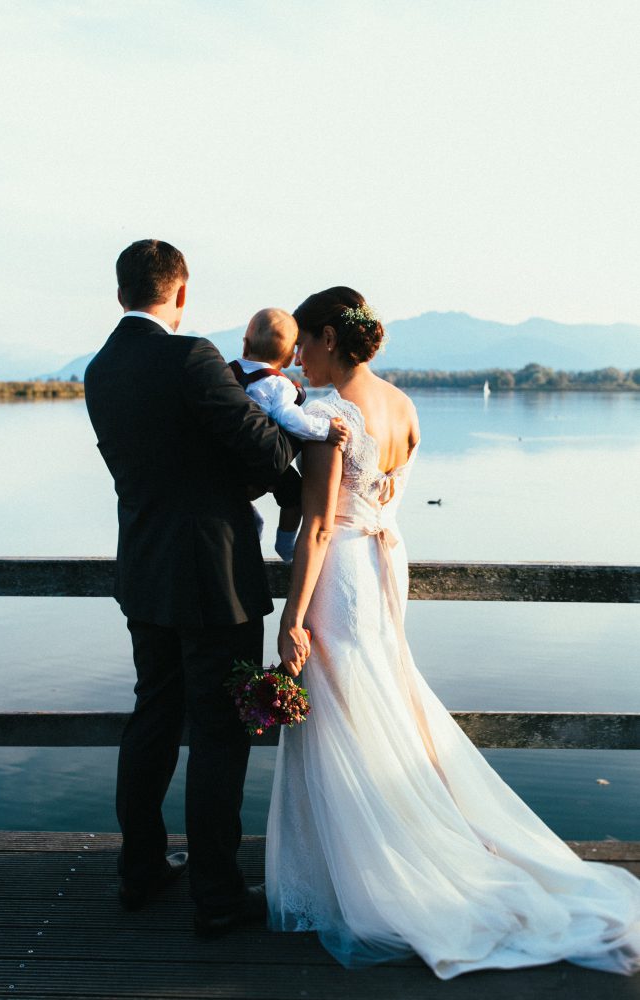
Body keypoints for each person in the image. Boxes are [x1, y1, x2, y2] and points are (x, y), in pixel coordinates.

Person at [265, 286, 640, 977]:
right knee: (379, 699)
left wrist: (290, 617)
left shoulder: (326, 416)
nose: (295, 355)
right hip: (383, 562)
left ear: (325, 337)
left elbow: (318, 525)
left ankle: (369, 879)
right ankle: (382, 852)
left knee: (345, 710)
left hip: (342, 568)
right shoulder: (402, 405)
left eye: (303, 343)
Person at [84, 240, 306, 935]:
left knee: (151, 719)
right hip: (214, 579)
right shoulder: (192, 358)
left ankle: (140, 870)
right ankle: (215, 895)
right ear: (180, 292)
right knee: (218, 732)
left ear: (121, 294)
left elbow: (169, 462)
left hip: (145, 571)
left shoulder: (100, 369)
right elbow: (269, 453)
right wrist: (290, 409)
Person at [230, 307, 349, 562]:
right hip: (262, 458)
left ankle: (250, 527)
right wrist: (324, 430)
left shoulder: (227, 372)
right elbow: (289, 418)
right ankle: (285, 544)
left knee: (240, 504)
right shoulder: (278, 383)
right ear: (287, 360)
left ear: (245, 344)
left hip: (227, 457)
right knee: (294, 495)